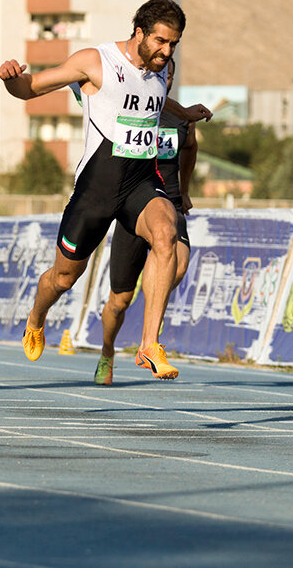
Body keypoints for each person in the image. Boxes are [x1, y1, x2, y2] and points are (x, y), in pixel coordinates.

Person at [0, 0, 211, 380]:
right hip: (97, 189)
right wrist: (12, 78)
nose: (167, 51)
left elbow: (154, 104)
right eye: (161, 41)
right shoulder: (95, 62)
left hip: (140, 183)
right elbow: (30, 89)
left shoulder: (164, 69)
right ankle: (36, 315)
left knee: (166, 232)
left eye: (174, 44)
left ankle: (149, 344)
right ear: (139, 33)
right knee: (63, 278)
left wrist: (183, 112)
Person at [94, 56, 198, 385]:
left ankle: (149, 342)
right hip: (132, 208)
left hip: (169, 204)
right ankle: (107, 351)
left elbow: (190, 149)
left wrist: (185, 189)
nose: (163, 79)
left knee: (178, 262)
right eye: (159, 72)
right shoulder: (131, 104)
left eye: (169, 75)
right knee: (118, 302)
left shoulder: (180, 117)